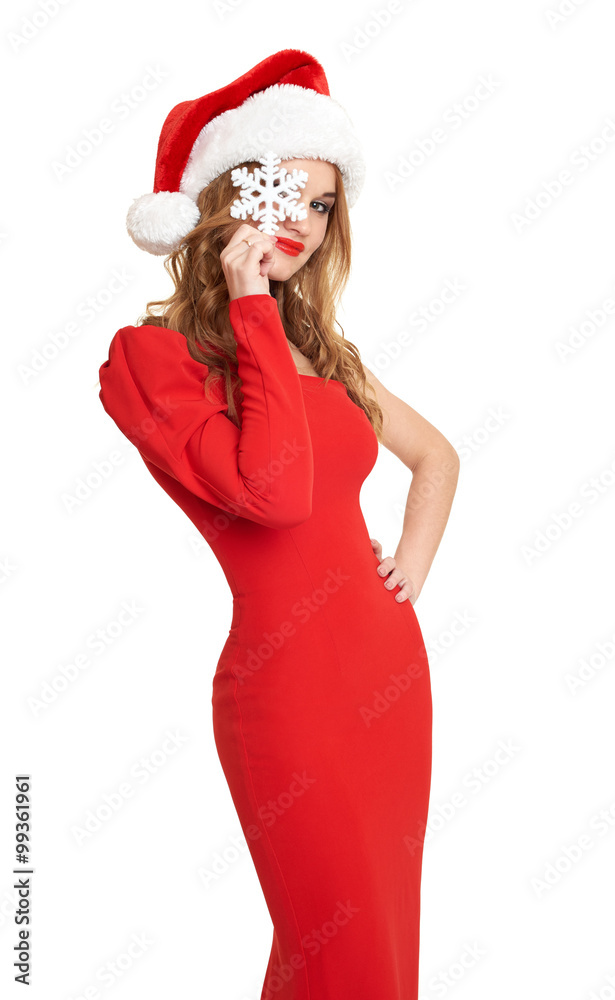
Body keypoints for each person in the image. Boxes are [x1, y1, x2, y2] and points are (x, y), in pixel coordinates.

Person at [98, 48, 459, 1000]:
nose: (299, 220)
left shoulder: (320, 352)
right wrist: (253, 307)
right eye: (278, 192)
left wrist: (406, 570)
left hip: (387, 675)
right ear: (224, 198)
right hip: (287, 690)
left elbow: (436, 457)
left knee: (374, 954)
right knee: (332, 953)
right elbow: (275, 493)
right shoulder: (152, 361)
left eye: (321, 202)